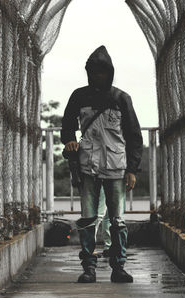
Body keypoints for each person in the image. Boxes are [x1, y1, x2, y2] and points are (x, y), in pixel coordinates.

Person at [61, 45, 143, 283]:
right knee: (87, 220)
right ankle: (89, 268)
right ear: (88, 73)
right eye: (94, 71)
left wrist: (132, 170)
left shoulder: (120, 98)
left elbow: (134, 136)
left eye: (103, 72)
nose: (99, 76)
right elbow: (67, 126)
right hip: (88, 166)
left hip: (116, 168)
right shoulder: (79, 96)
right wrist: (69, 142)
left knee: (117, 221)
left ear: (110, 72)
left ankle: (119, 267)